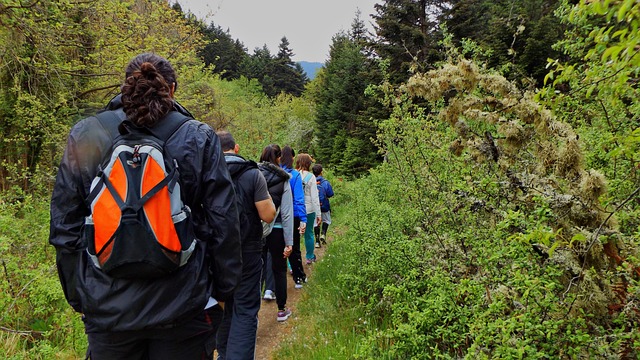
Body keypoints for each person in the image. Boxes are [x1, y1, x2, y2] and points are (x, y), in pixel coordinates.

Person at [49, 53, 242, 359]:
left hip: (107, 309)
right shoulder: (198, 136)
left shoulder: (87, 134)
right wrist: (222, 290)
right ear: (173, 89)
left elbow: (64, 225)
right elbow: (224, 222)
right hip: (182, 305)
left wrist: (80, 296)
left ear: (126, 86)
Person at [215, 131, 276, 359]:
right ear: (237, 148)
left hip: (217, 252)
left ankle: (223, 354)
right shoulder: (252, 174)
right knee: (246, 310)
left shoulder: (207, 172)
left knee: (222, 306)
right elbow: (268, 215)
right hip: (248, 251)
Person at [258, 144, 295, 321]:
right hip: (278, 231)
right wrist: (290, 242)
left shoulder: (252, 174)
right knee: (279, 270)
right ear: (279, 158)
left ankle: (252, 314)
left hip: (256, 231)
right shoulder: (284, 179)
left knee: (257, 270)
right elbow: (287, 213)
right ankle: (281, 310)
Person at [280, 145, 307, 288]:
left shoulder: (276, 172)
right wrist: (303, 219)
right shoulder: (295, 175)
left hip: (276, 215)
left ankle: (274, 286)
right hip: (293, 215)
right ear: (292, 157)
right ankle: (298, 277)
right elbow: (299, 199)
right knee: (294, 246)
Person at [295, 153, 321, 265]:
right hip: (309, 209)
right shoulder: (311, 177)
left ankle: (292, 263)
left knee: (294, 236)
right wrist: (319, 214)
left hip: (296, 209)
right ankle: (310, 256)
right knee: (309, 233)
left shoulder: (293, 175)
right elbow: (315, 197)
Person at [312, 164, 334, 247]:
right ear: (321, 172)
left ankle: (317, 242)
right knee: (326, 220)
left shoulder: (311, 181)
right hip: (324, 205)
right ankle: (323, 234)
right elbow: (330, 194)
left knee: (316, 223)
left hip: (314, 206)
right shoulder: (325, 182)